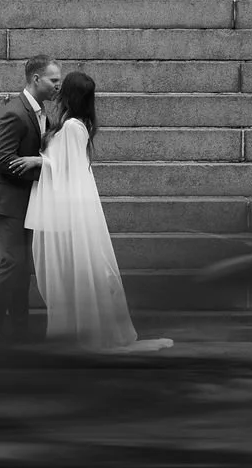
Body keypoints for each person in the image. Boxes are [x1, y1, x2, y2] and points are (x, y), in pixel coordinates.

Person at [17, 70, 173, 353]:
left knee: (76, 271)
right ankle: (76, 331)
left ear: (71, 95)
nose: (58, 90)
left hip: (71, 212)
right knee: (68, 272)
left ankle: (84, 333)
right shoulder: (70, 124)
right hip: (66, 209)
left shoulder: (74, 127)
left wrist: (37, 162)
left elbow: (69, 170)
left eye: (62, 87)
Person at [0, 55, 61, 345]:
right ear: (36, 79)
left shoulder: (39, 112)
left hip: (26, 201)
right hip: (10, 203)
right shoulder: (14, 113)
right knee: (13, 262)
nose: (58, 86)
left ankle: (19, 327)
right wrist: (39, 168)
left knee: (23, 266)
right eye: (54, 80)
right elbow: (3, 161)